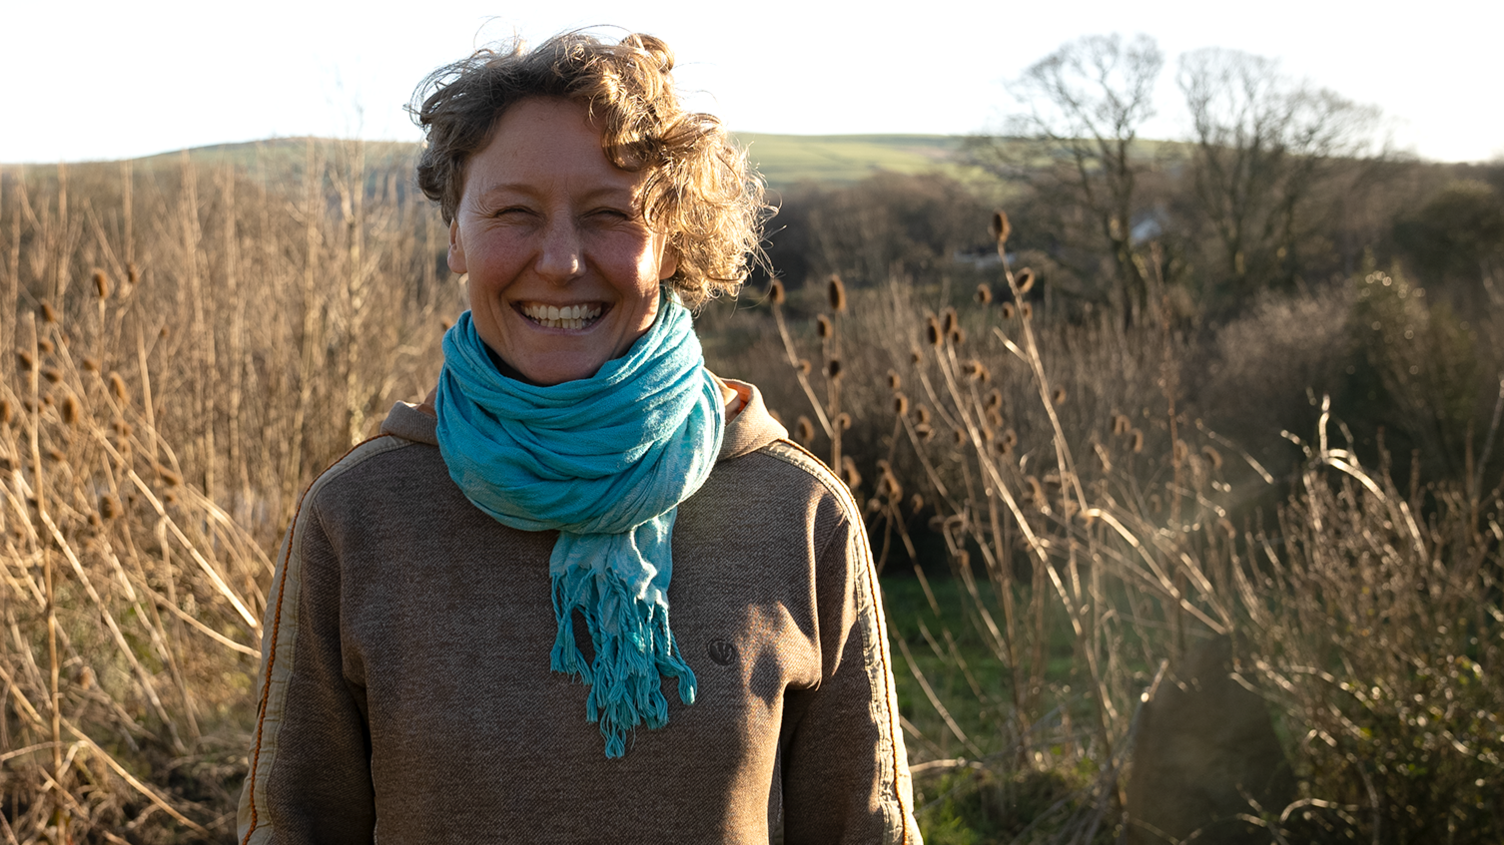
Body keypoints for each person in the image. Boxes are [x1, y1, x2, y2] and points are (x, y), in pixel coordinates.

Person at [237, 30, 921, 844]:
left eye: (608, 215)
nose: (560, 261)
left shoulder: (799, 512)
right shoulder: (358, 516)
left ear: (672, 242)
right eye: (513, 213)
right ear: (456, 233)